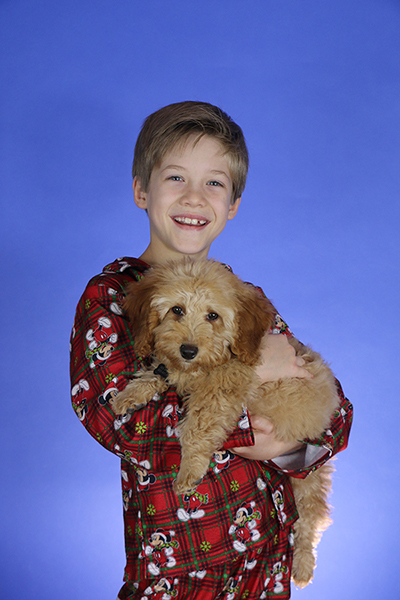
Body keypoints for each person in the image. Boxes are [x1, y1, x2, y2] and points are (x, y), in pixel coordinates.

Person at [70, 101, 352, 600]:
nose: (195, 198)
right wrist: (252, 392)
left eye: (214, 183)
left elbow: (336, 418)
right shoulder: (110, 297)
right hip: (180, 569)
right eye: (176, 178)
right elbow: (125, 427)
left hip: (267, 563)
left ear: (233, 204)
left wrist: (287, 450)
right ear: (141, 190)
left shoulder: (246, 299)